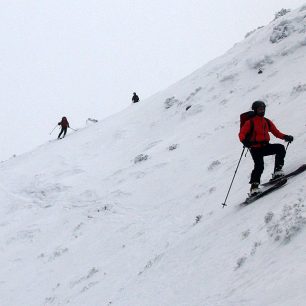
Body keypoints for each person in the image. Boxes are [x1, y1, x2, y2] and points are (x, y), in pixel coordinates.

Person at [239, 101, 294, 195]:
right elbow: (242, 134)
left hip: (265, 146)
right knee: (259, 166)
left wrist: (285, 137)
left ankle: (277, 171)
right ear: (255, 110)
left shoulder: (266, 121)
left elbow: (276, 132)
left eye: (263, 109)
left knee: (280, 148)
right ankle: (254, 188)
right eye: (260, 109)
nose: (262, 111)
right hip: (255, 148)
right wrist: (245, 142)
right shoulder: (250, 122)